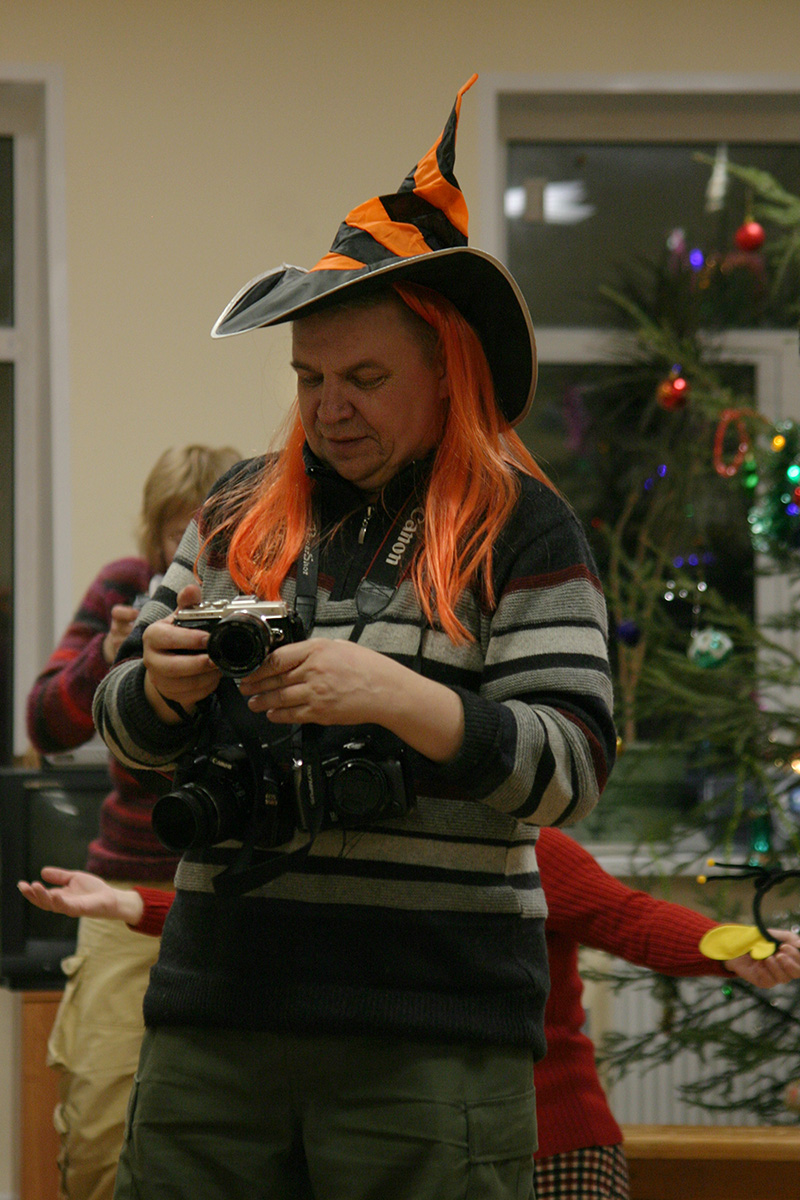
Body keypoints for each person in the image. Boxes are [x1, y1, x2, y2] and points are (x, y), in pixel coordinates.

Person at [91, 75, 617, 1200]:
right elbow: (122, 726)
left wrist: (396, 698)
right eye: (309, 379)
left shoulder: (523, 526)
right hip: (216, 1016)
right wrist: (163, 687)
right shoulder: (237, 509)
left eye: (364, 378)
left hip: (430, 1034)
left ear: (446, 370)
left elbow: (570, 770)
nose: (328, 409)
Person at [19, 827, 800, 1200]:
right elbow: (260, 916)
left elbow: (628, 917)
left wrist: (730, 945)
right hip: (423, 1138)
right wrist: (127, 903)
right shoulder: (363, 849)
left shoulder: (528, 849)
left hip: (554, 1144)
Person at [25, 442, 241, 1200]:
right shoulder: (126, 586)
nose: (187, 552)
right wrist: (113, 655)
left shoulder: (264, 599)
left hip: (224, 893)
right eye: (174, 533)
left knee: (223, 1135)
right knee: (96, 1131)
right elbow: (45, 723)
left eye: (203, 534)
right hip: (122, 885)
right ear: (154, 533)